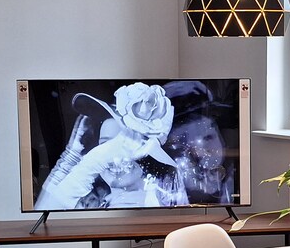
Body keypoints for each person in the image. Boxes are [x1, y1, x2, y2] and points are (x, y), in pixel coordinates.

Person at [36, 82, 187, 210]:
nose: (111, 156)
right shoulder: (94, 201)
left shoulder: (146, 201)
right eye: (104, 145)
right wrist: (71, 155)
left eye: (124, 145)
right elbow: (43, 216)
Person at [163, 81, 236, 205]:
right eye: (181, 143)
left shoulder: (235, 185)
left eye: (208, 138)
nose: (199, 153)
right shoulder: (155, 194)